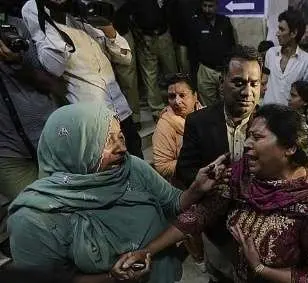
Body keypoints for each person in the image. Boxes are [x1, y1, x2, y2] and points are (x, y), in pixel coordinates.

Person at [113, 104, 308, 283]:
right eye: (248, 135)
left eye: (258, 137)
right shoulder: (242, 173)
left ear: (290, 147)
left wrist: (262, 269)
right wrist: (147, 251)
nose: (246, 144)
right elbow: (201, 213)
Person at [7, 102, 229, 283]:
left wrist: (195, 189)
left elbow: (173, 203)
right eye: (106, 141)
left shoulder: (132, 168)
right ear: (73, 149)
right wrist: (111, 278)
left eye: (120, 137)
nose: (121, 148)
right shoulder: (34, 219)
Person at [174, 45, 261, 282]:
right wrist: (207, 182)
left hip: (258, 228)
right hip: (215, 228)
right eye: (239, 82)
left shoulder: (270, 123)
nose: (247, 92)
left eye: (254, 84)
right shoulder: (198, 122)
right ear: (222, 82)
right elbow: (184, 168)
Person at [22, 0, 143, 158]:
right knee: (112, 176)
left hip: (121, 110)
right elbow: (54, 67)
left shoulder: (81, 9)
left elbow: (124, 57)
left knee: (139, 166)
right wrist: (52, 19)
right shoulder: (34, 9)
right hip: (93, 120)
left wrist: (108, 27)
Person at [0, 13, 62, 267]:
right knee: (32, 213)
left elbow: (52, 81)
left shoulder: (19, 26)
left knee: (64, 207)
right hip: (8, 152)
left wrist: (18, 60)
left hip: (48, 138)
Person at [120, 0, 178, 117]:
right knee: (150, 78)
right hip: (145, 39)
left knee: (172, 74)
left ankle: (178, 104)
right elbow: (127, 17)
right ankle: (158, 112)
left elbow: (170, 11)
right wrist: (139, 37)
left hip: (163, 35)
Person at [152, 73, 203, 180]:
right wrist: (198, 161)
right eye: (172, 96)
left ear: (195, 96)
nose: (177, 101)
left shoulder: (207, 115)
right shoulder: (164, 126)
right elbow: (162, 167)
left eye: (182, 95)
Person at [263, 9, 308, 106]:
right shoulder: (271, 53)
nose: (277, 33)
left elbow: (302, 94)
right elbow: (264, 82)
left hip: (288, 116)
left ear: (293, 33)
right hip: (266, 112)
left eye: (282, 29)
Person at [190, 0, 236, 106]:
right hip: (205, 71)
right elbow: (192, 52)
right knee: (208, 108)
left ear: (216, 6)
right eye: (204, 6)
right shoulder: (196, 23)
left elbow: (232, 46)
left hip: (224, 71)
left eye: (210, 6)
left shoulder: (225, 22)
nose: (207, 9)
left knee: (228, 104)